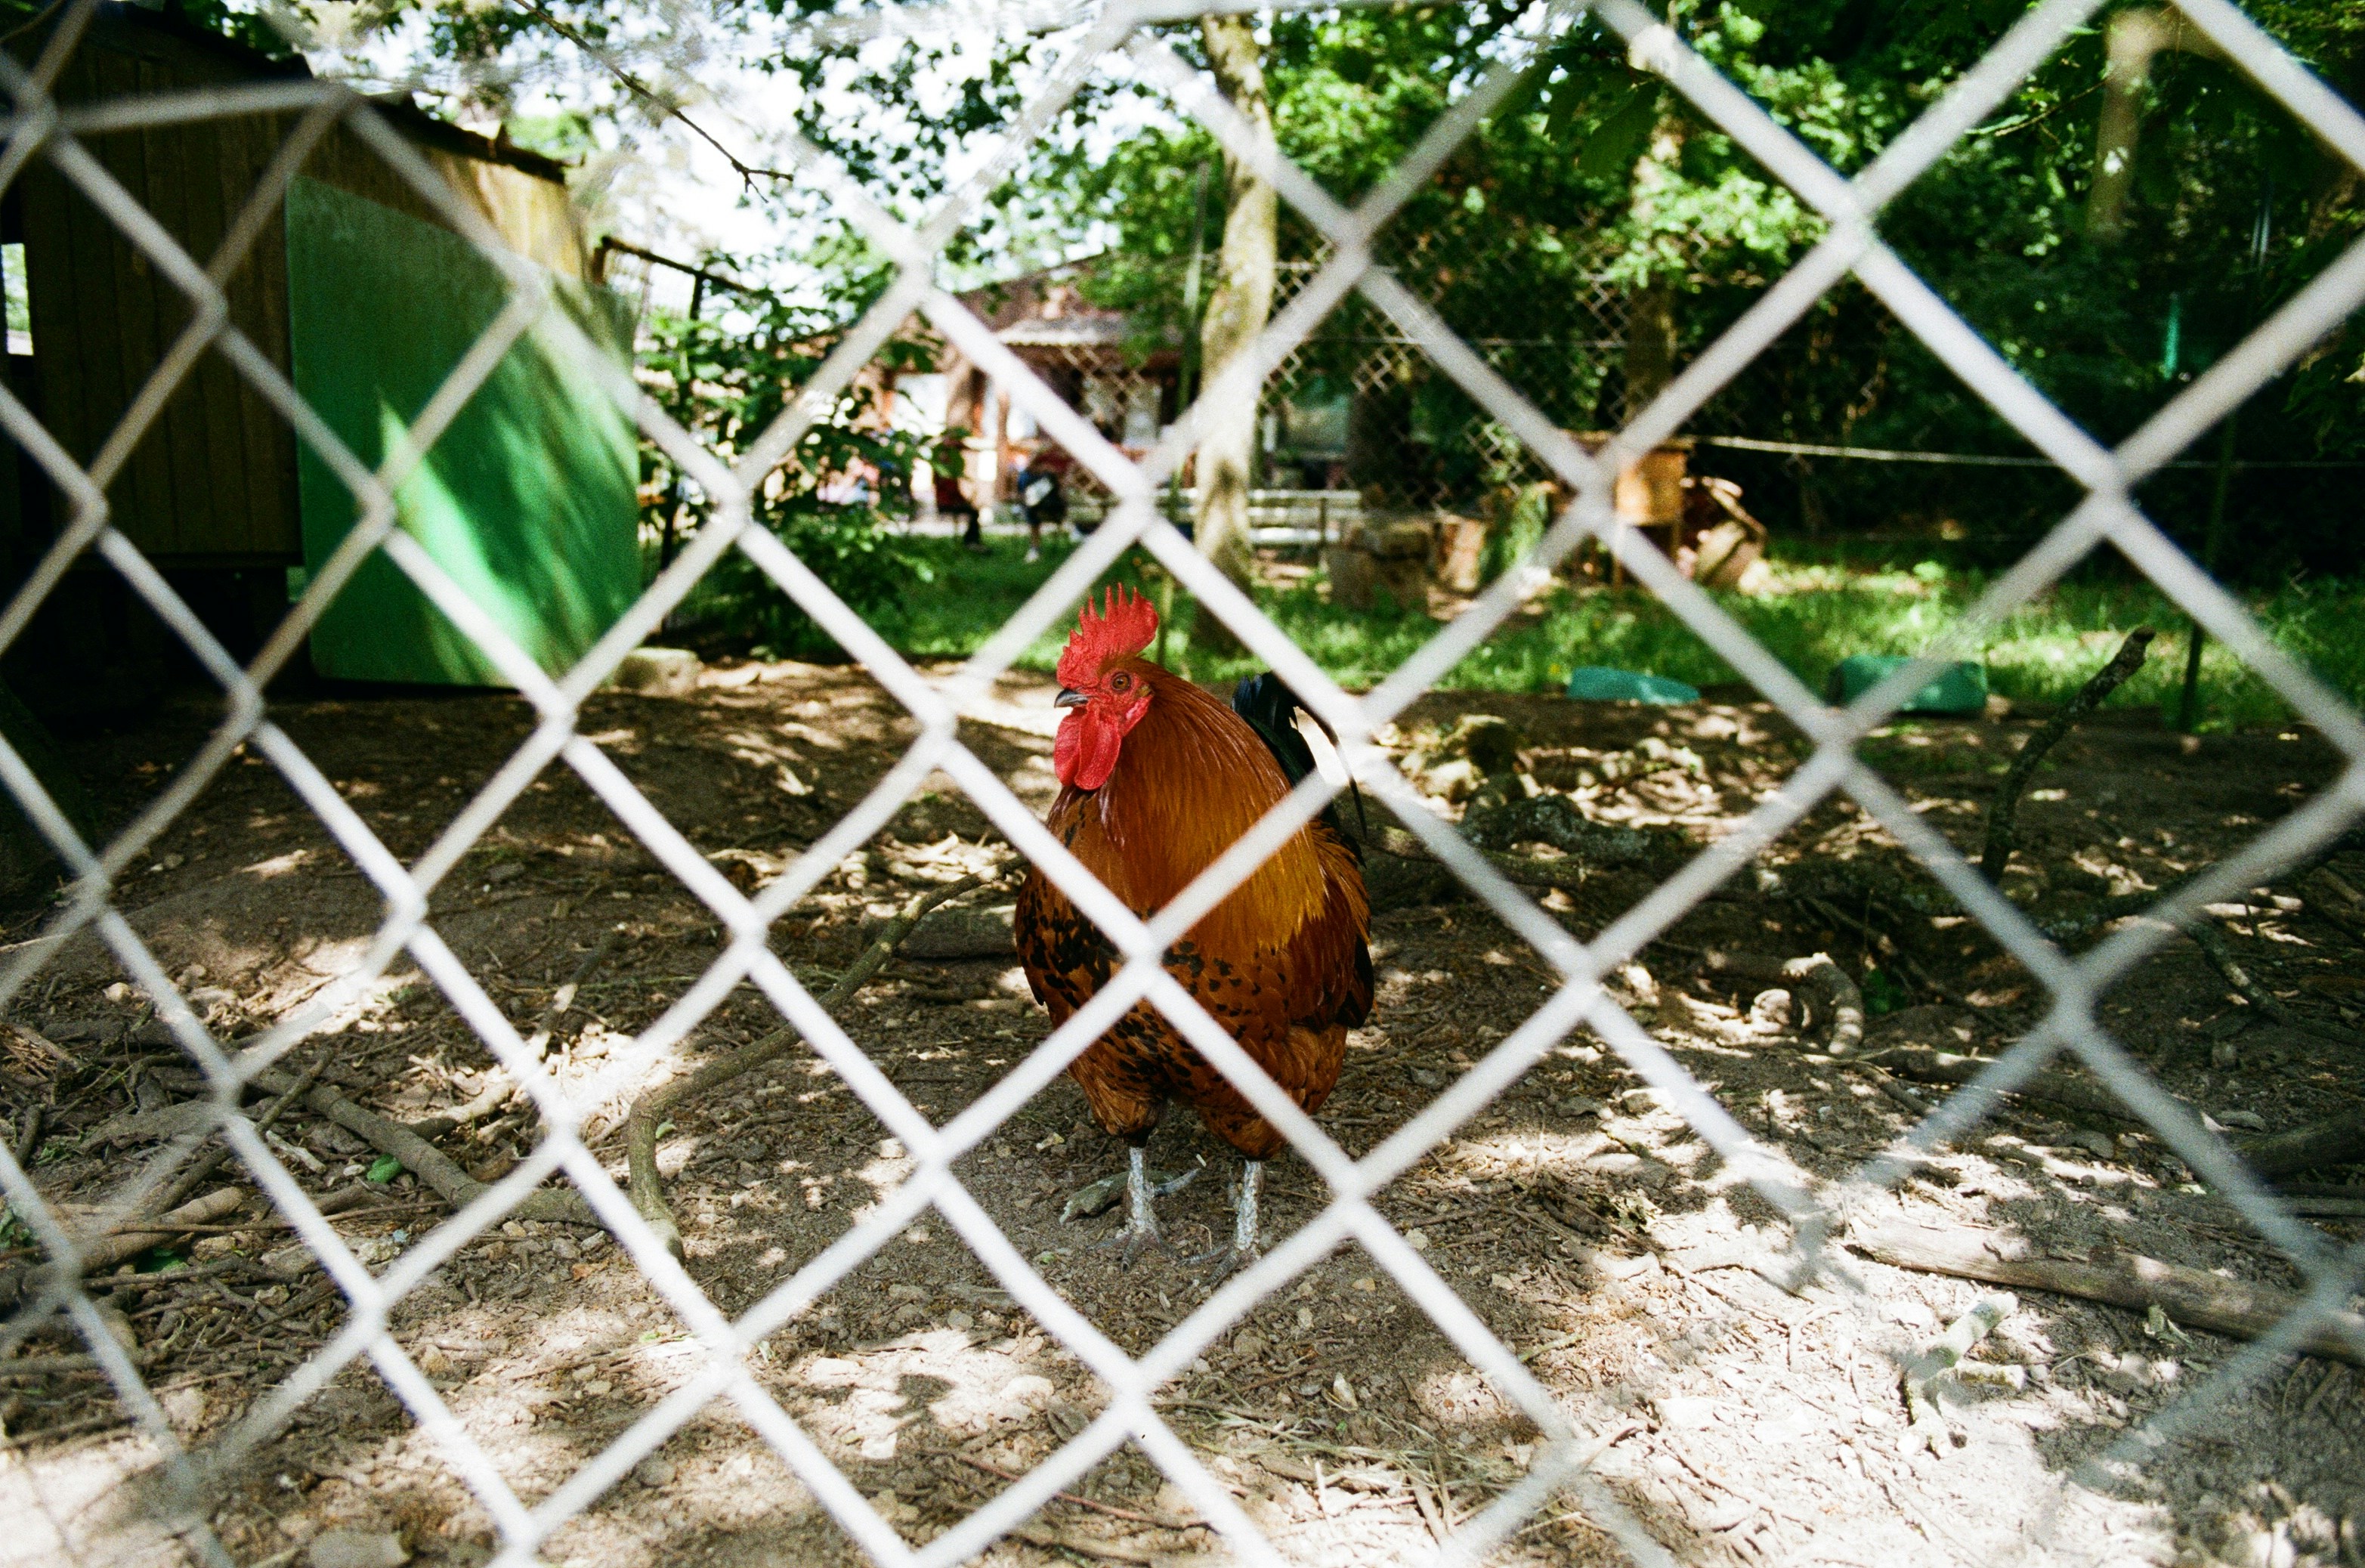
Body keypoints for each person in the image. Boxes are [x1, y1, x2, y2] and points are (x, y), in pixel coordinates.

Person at [1016, 444, 1071, 562]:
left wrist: (1050, 471)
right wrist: (1039, 454)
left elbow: (1064, 482)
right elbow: (1029, 467)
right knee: (1025, 476)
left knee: (1047, 476)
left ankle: (1034, 549)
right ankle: (1029, 500)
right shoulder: (1044, 454)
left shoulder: (1067, 457)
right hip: (1039, 500)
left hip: (1054, 500)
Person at [933, 445, 982, 552]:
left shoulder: (949, 471)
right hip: (946, 505)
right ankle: (971, 541)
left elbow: (955, 493)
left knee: (973, 511)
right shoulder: (943, 472)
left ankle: (972, 541)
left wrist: (965, 501)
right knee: (974, 512)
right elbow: (951, 493)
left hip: (950, 503)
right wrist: (963, 501)